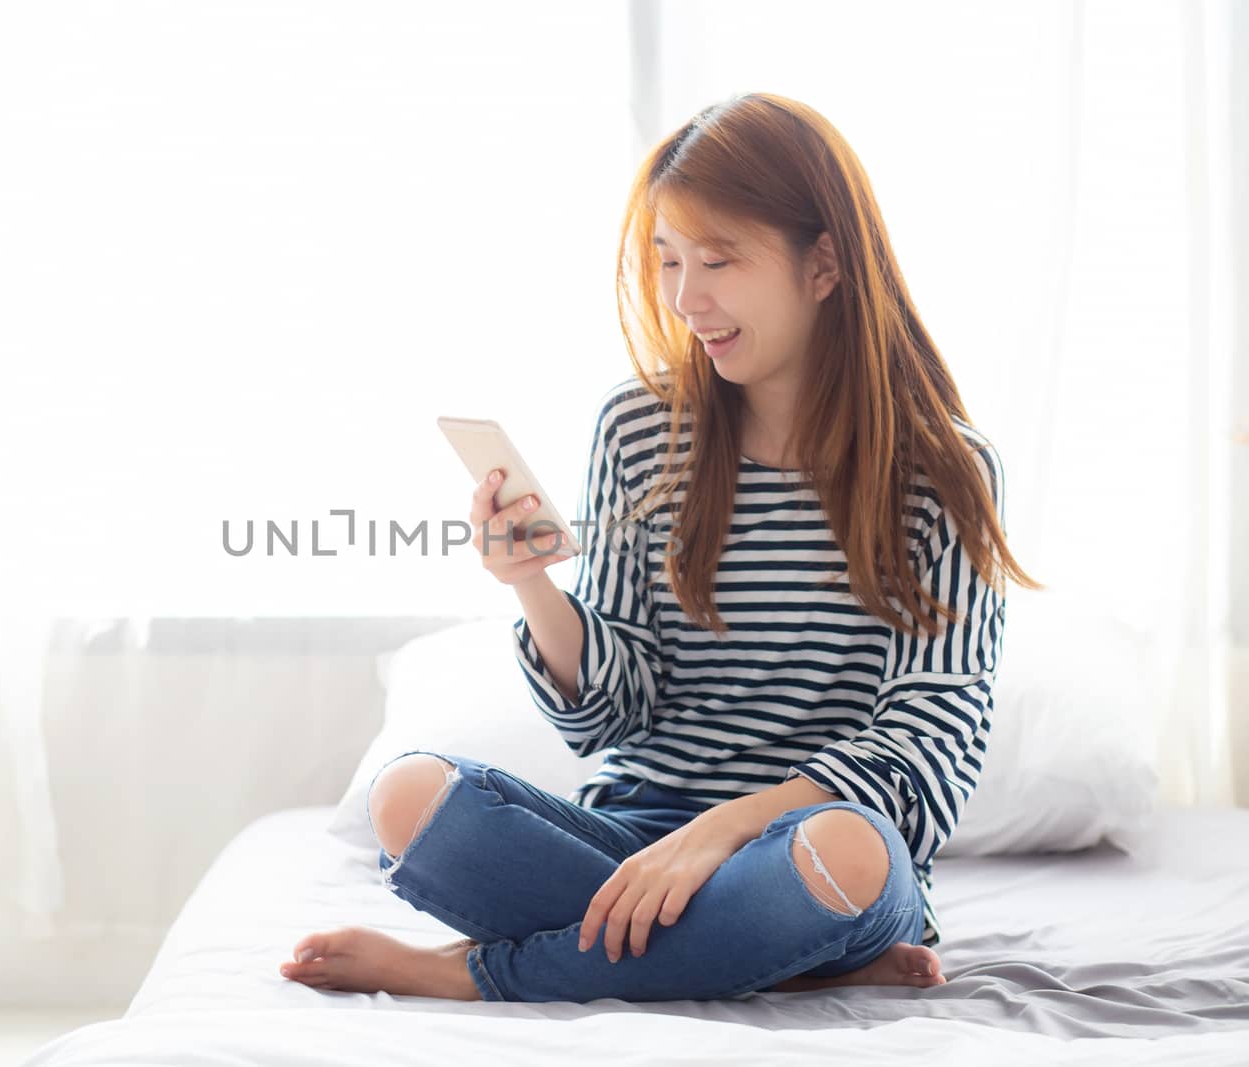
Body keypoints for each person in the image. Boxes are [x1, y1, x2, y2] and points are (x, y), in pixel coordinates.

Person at [279, 91, 1040, 1003]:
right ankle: (769, 959)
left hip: (807, 845)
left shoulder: (943, 471)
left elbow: (929, 742)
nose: (686, 298)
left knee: (846, 857)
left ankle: (480, 975)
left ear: (824, 264)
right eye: (669, 260)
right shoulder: (641, 430)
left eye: (718, 260)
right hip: (633, 839)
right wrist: (534, 588)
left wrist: (721, 833)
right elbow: (614, 707)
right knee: (408, 796)